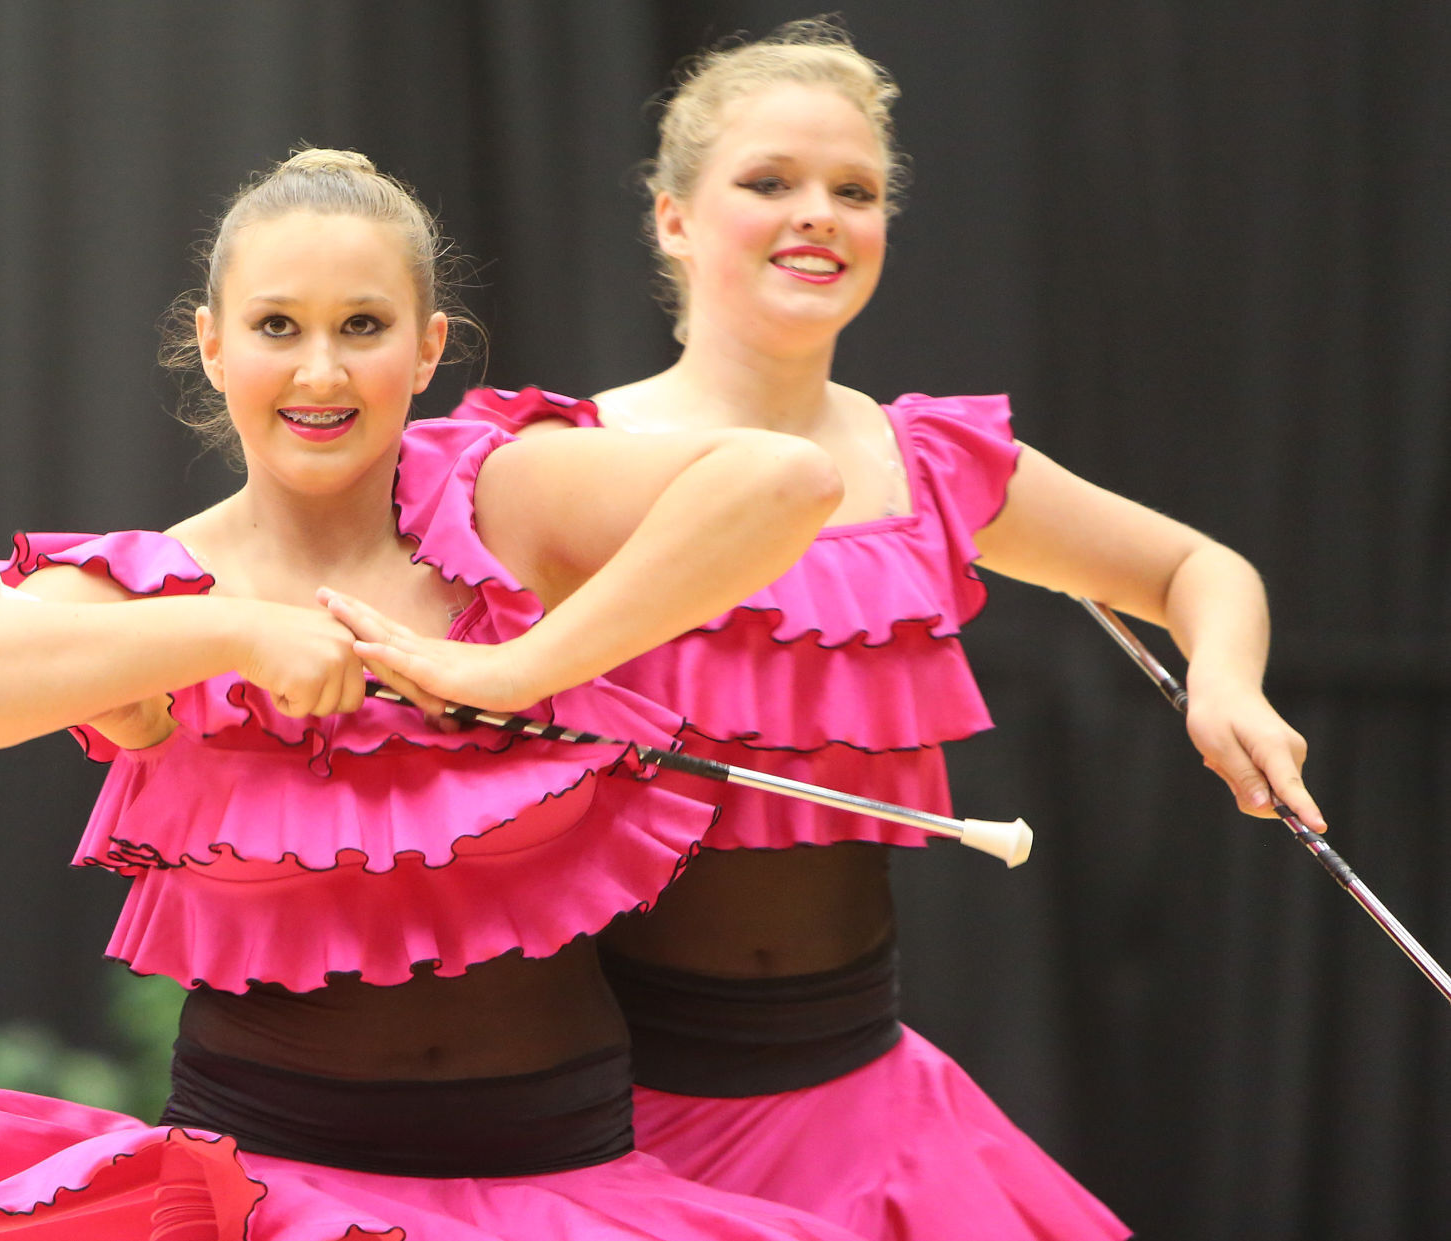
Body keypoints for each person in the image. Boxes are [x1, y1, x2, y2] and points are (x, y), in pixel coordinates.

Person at [0, 147, 876, 1241]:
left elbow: (787, 481)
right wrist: (231, 629)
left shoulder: (503, 503)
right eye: (278, 326)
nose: (320, 373)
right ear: (213, 343)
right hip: (268, 1185)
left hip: (562, 1181)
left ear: (428, 348)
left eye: (363, 328)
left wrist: (519, 666)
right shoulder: (147, 585)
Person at [451, 19, 1322, 1241]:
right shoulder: (556, 463)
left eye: (852, 191)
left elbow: (1194, 565)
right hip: (603, 1125)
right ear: (673, 219)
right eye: (768, 183)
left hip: (862, 1108)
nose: (817, 214)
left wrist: (1225, 680)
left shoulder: (931, 462)